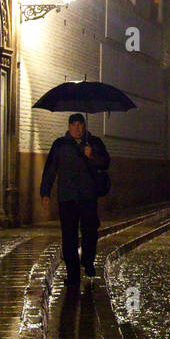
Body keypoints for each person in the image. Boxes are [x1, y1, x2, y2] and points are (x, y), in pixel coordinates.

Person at [40, 113, 110, 283]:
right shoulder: (60, 145)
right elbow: (50, 168)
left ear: (84, 126)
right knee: (69, 236)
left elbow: (105, 163)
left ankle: (88, 261)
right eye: (74, 125)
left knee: (90, 232)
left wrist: (91, 156)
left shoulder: (94, 143)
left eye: (80, 125)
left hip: (88, 196)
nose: (77, 128)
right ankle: (72, 273)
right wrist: (45, 192)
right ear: (69, 126)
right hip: (67, 197)